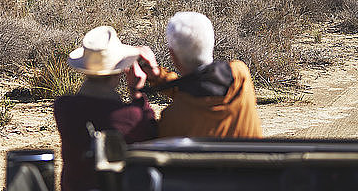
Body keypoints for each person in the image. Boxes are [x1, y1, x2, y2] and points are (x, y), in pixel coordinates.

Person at [54, 26, 158, 191]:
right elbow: (151, 135)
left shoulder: (63, 107)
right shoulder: (131, 116)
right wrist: (137, 93)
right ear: (120, 71)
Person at [133, 11, 263, 138]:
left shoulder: (173, 118)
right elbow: (199, 88)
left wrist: (136, 93)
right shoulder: (240, 74)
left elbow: (191, 95)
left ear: (172, 55)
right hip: (253, 159)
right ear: (211, 42)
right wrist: (158, 76)